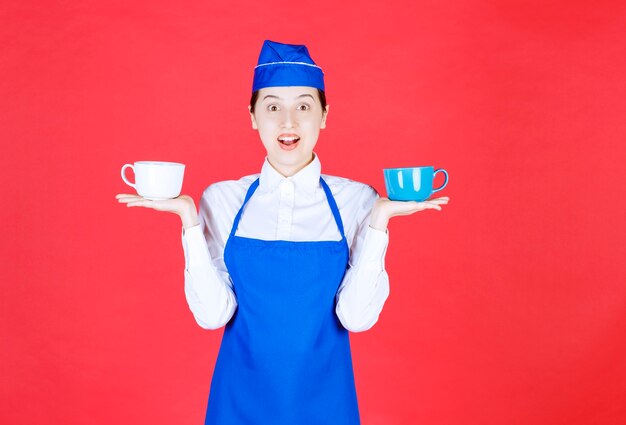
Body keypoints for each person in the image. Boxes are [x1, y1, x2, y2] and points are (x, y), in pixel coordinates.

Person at [116, 40, 449, 425]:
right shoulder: (222, 199)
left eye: (304, 106)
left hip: (327, 403)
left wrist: (380, 223)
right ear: (253, 116)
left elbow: (356, 318)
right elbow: (212, 316)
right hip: (238, 401)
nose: (288, 122)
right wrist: (189, 220)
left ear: (324, 115)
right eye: (272, 107)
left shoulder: (357, 201)